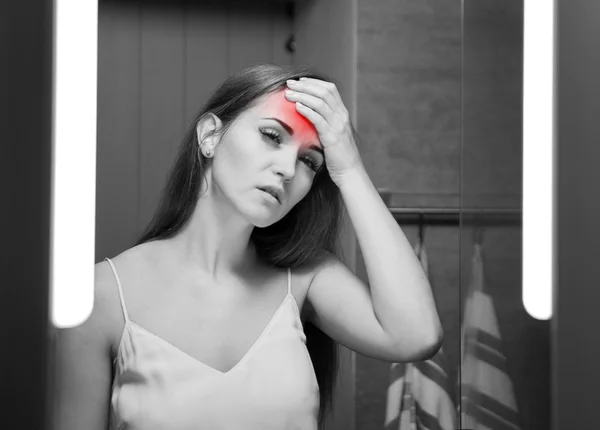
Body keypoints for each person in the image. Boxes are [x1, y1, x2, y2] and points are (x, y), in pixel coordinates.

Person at [53, 63, 443, 430]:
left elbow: (417, 336)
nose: (288, 170)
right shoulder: (99, 296)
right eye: (272, 136)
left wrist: (349, 169)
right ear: (210, 135)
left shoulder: (306, 277)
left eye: (309, 161)